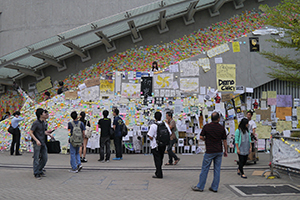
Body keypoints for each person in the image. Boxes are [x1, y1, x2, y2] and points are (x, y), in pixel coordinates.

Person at [192, 112, 227, 192]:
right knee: (217, 169)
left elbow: (201, 136)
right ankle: (214, 187)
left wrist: (206, 139)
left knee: (205, 169)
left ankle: (200, 186)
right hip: (219, 151)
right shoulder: (221, 128)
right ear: (218, 119)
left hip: (209, 151)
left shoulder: (206, 127)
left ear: (211, 118)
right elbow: (224, 140)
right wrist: (226, 151)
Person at [29, 108, 54, 179]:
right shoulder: (36, 123)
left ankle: (40, 169)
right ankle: (36, 173)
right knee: (36, 158)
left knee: (45, 158)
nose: (45, 114)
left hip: (43, 142)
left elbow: (43, 132)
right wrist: (36, 140)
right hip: (37, 143)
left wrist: (49, 134)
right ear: (40, 114)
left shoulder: (43, 122)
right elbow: (31, 132)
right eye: (44, 113)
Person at [147, 111, 172, 179]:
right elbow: (169, 133)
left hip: (155, 145)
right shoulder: (165, 124)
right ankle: (158, 172)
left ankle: (159, 174)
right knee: (160, 159)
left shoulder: (153, 126)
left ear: (155, 118)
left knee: (157, 160)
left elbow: (150, 136)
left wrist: (153, 138)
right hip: (163, 144)